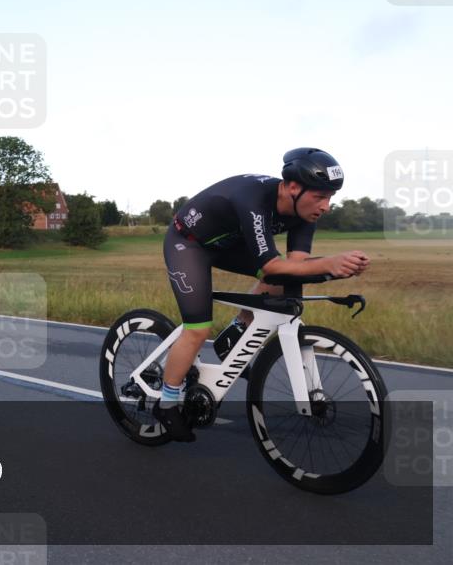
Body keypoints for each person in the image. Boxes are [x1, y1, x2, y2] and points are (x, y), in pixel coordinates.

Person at [155, 148, 370, 442]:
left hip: (228, 244)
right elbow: (270, 263)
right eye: (320, 197)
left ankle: (236, 332)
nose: (326, 206)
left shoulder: (305, 214)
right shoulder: (254, 198)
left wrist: (335, 271)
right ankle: (167, 402)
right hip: (188, 244)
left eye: (330, 198)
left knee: (282, 278)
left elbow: (294, 268)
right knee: (197, 328)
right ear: (293, 187)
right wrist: (328, 263)